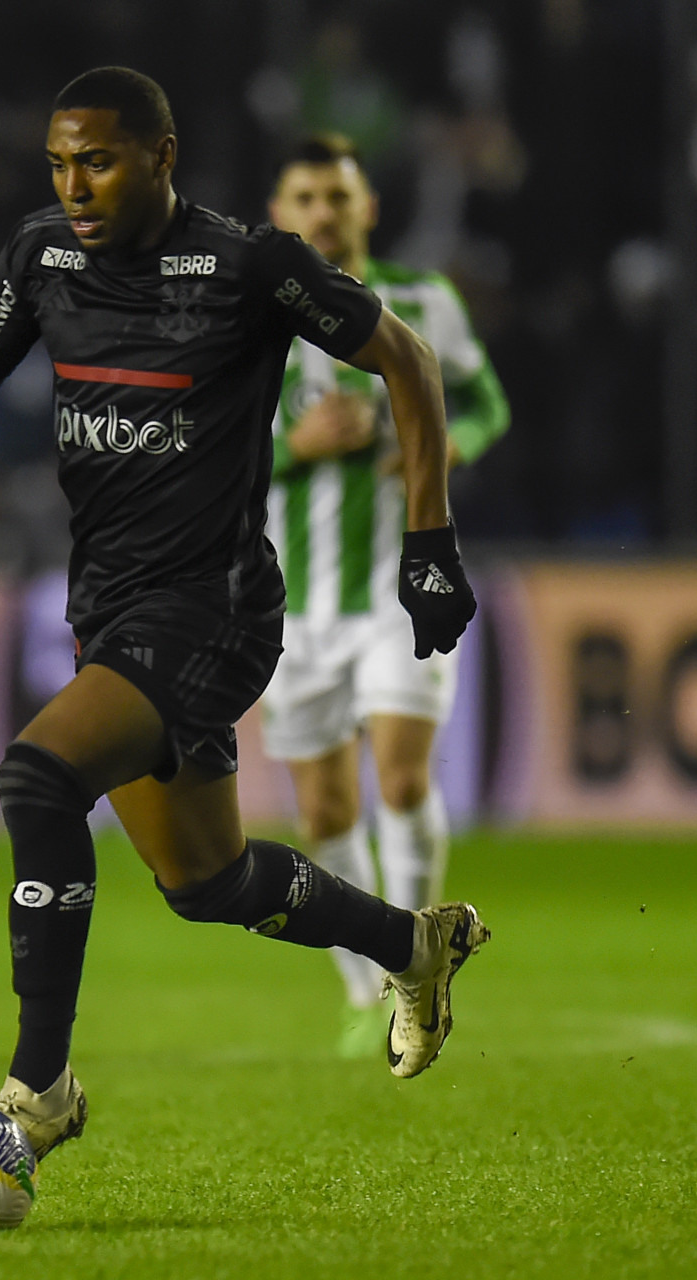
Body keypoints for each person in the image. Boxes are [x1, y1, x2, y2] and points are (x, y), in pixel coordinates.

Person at [0, 67, 488, 1166]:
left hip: (215, 607)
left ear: (162, 157)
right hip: (111, 610)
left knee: (37, 777)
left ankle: (40, 1088)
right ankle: (413, 945)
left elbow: (407, 361)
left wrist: (430, 544)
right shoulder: (42, 257)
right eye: (58, 164)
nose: (74, 186)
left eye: (98, 161)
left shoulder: (250, 267)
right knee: (206, 882)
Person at [261, 133, 510, 1057]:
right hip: (291, 607)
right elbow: (206, 448)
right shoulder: (253, 314)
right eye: (306, 197)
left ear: (368, 207)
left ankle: (418, 976)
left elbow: (485, 404)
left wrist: (437, 445)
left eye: (339, 196)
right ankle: (365, 988)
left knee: (403, 779)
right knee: (325, 814)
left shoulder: (423, 300)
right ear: (280, 213)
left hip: (398, 590)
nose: (324, 212)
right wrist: (294, 447)